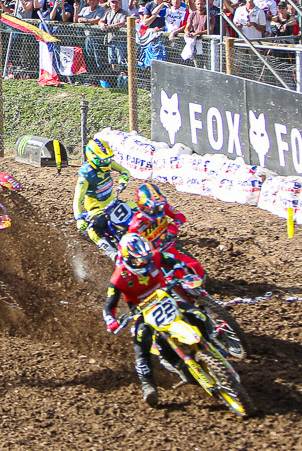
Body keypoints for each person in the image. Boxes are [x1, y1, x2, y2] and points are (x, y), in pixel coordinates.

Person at [102, 233, 201, 407]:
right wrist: (111, 321)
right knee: (141, 342)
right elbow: (109, 307)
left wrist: (179, 268)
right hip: (143, 311)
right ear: (126, 258)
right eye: (139, 260)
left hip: (166, 298)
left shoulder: (155, 257)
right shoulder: (118, 278)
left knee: (197, 313)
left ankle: (215, 339)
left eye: (146, 258)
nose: (144, 263)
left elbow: (175, 261)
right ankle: (149, 387)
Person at [126, 183, 205, 279]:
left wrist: (173, 227)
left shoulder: (163, 207)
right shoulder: (136, 224)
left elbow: (180, 216)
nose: (159, 210)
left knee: (196, 267)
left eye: (160, 207)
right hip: (155, 260)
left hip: (171, 251)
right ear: (144, 206)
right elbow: (129, 244)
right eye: (154, 208)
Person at [72, 138, 132, 259]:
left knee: (135, 209)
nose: (106, 163)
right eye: (102, 160)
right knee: (93, 231)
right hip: (96, 208)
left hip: (113, 201)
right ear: (93, 158)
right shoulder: (85, 175)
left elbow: (124, 170)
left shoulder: (108, 163)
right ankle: (112, 253)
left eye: (108, 159)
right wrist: (79, 219)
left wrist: (124, 178)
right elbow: (77, 199)